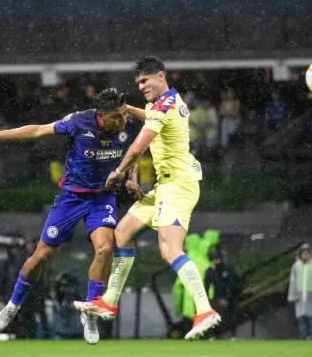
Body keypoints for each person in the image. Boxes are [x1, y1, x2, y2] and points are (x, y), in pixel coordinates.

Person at [0, 88, 142, 345]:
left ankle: (90, 312)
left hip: (102, 198)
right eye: (117, 117)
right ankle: (13, 305)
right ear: (102, 115)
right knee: (42, 256)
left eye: (124, 114)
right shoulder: (79, 121)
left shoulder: (128, 123)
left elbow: (135, 151)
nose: (123, 120)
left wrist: (132, 178)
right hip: (70, 198)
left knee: (105, 248)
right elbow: (37, 130)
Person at [74, 56, 220, 340]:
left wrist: (119, 172)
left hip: (178, 185)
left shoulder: (162, 108)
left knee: (169, 249)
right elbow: (151, 115)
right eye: (138, 82)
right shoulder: (165, 103)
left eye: (145, 81)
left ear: (160, 76)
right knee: (122, 232)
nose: (141, 86)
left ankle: (205, 310)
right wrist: (127, 108)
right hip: (166, 186)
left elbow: (138, 147)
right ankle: (109, 303)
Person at [287, 243, 312, 340]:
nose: (305, 255)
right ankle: (303, 337)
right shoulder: (296, 266)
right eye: (303, 253)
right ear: (300, 254)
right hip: (299, 296)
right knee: (301, 318)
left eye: (307, 253)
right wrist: (293, 295)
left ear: (310, 254)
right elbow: (292, 281)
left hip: (311, 295)